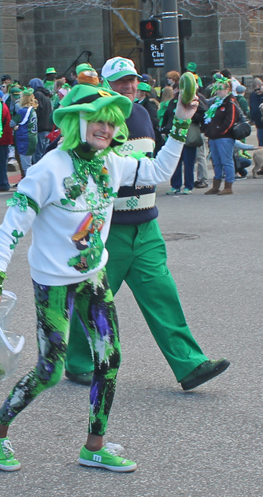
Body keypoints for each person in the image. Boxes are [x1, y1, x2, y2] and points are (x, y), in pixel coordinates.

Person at [0, 81, 200, 473]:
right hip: (52, 284)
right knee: (50, 370)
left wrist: (181, 120)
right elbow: (11, 227)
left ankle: (94, 446)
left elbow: (159, 170)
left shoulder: (111, 160)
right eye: (97, 121)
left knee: (109, 359)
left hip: (93, 277)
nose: (106, 129)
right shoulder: (48, 169)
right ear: (76, 121)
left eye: (112, 123)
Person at [65, 57, 229, 391]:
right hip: (108, 230)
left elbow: (155, 166)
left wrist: (182, 118)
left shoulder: (142, 113)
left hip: (147, 226)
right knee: (92, 299)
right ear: (104, 85)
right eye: (120, 81)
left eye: (132, 80)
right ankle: (78, 361)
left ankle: (190, 364)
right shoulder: (92, 119)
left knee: (163, 294)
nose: (128, 86)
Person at [202, 76, 238, 195]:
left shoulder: (230, 102)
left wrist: (220, 130)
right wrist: (209, 130)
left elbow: (230, 120)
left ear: (228, 90)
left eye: (221, 89)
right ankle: (216, 185)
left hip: (224, 137)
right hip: (213, 137)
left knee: (226, 161)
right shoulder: (216, 103)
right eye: (217, 89)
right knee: (216, 162)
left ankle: (228, 185)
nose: (218, 91)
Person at [10, 88, 38, 174]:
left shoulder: (22, 111)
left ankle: (30, 186)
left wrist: (15, 126)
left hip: (25, 140)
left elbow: (11, 123)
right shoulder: (32, 109)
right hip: (32, 137)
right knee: (30, 165)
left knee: (26, 167)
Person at [29, 78, 53, 164]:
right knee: (45, 153)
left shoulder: (37, 95)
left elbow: (37, 111)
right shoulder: (46, 96)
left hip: (40, 128)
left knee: (38, 155)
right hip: (48, 128)